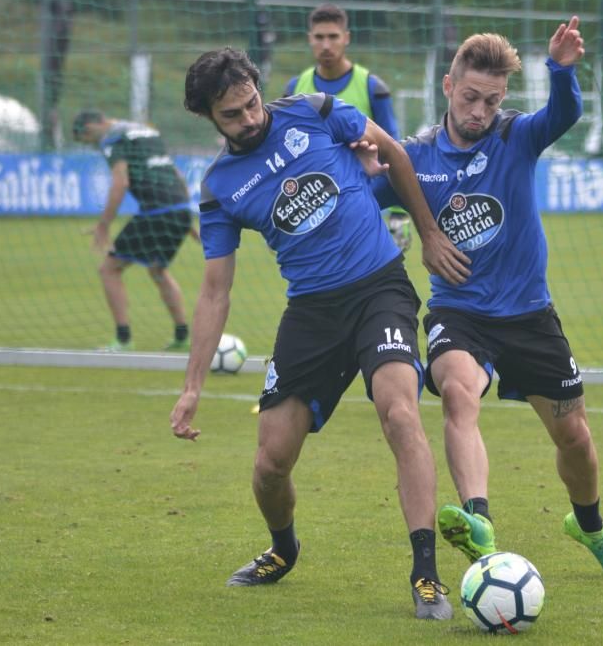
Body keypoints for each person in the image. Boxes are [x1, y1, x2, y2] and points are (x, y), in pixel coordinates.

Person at [170, 46, 471, 619]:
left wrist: (428, 235)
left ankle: (427, 575)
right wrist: (192, 387)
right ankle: (283, 551)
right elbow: (214, 292)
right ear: (208, 118)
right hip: (311, 312)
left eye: (252, 103)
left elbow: (396, 155)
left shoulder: (314, 109)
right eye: (232, 115)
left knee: (400, 413)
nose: (250, 119)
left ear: (259, 89)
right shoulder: (219, 189)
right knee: (270, 464)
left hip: (379, 286)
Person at [369, 16, 603, 576]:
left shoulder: (515, 136)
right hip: (459, 313)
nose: (479, 112)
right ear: (448, 86)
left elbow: (564, 115)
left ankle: (590, 527)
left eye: (491, 101)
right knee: (459, 394)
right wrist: (353, 160)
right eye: (470, 97)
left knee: (575, 438)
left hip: (531, 317)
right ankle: (478, 523)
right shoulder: (413, 158)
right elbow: (356, 194)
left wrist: (560, 70)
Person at [284, 3, 413, 252]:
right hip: (314, 208)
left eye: (333, 37)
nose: (326, 45)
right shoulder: (294, 89)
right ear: (310, 39)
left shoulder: (372, 87)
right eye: (319, 37)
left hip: (365, 204)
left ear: (346, 38)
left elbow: (394, 149)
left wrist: (398, 212)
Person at [72, 110, 194, 352]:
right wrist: (188, 219)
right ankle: (182, 335)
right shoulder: (146, 130)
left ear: (90, 128)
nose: (94, 145)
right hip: (179, 207)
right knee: (157, 269)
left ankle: (123, 339)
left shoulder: (112, 138)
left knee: (109, 269)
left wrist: (103, 225)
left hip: (156, 210)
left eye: (89, 140)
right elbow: (175, 174)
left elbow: (121, 182)